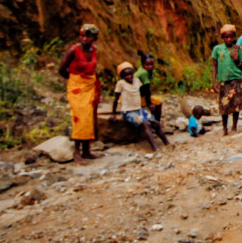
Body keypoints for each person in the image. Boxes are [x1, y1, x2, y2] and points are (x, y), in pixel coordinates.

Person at [57, 24, 103, 163]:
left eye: (88, 36)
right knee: (80, 117)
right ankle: (77, 151)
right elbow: (61, 69)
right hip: (77, 87)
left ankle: (87, 151)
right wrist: (75, 80)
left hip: (90, 85)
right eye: (82, 35)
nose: (84, 39)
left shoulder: (94, 50)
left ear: (94, 38)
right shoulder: (73, 50)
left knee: (89, 117)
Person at [111, 62, 169, 152]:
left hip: (139, 109)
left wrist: (149, 103)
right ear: (122, 76)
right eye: (127, 75)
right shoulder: (121, 84)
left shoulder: (137, 81)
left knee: (155, 122)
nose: (130, 77)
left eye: (131, 74)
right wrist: (113, 113)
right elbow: (115, 99)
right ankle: (155, 148)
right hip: (128, 111)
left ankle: (167, 143)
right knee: (146, 124)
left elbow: (145, 92)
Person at [210, 23, 242, 135]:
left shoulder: (238, 49)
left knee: (236, 104)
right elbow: (214, 65)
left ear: (234, 37)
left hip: (236, 79)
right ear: (222, 38)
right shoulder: (217, 49)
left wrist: (236, 60)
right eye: (226, 37)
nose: (229, 39)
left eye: (231, 37)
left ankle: (234, 128)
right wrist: (214, 81)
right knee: (224, 105)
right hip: (223, 81)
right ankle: (225, 128)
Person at [136, 53, 162, 123]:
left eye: (152, 64)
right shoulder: (144, 73)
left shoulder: (144, 70)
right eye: (147, 65)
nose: (150, 66)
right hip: (136, 97)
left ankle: (154, 122)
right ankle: (157, 122)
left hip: (139, 94)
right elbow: (147, 89)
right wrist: (149, 103)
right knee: (158, 102)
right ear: (143, 65)